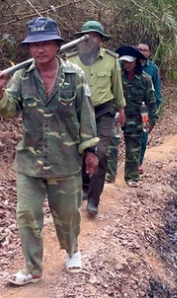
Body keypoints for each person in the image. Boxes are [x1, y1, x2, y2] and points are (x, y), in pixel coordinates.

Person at [0, 17, 99, 286]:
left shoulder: (74, 76)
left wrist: (91, 151)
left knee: (68, 214)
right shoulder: (22, 77)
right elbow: (10, 109)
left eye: (46, 43)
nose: (40, 50)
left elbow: (86, 116)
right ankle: (32, 268)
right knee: (26, 215)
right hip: (30, 161)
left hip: (65, 161)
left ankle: (72, 250)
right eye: (34, 45)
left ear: (57, 46)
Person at [66, 20, 125, 216]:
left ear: (100, 40)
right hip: (78, 112)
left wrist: (122, 110)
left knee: (101, 153)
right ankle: (83, 187)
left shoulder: (111, 60)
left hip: (103, 112)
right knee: (80, 151)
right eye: (86, 36)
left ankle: (94, 200)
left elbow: (117, 87)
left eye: (94, 36)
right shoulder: (71, 61)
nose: (90, 39)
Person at [115, 45, 158, 187]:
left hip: (135, 118)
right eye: (124, 62)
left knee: (133, 149)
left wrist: (151, 120)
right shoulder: (116, 76)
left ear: (136, 62)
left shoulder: (145, 80)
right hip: (116, 117)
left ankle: (132, 177)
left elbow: (151, 100)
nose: (127, 65)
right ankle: (107, 177)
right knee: (110, 146)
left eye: (130, 62)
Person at [136, 42, 162, 174]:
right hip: (128, 106)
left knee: (143, 135)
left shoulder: (153, 69)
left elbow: (157, 93)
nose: (141, 52)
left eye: (145, 50)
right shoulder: (127, 64)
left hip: (145, 108)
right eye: (139, 49)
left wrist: (154, 114)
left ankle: (138, 163)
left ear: (149, 53)